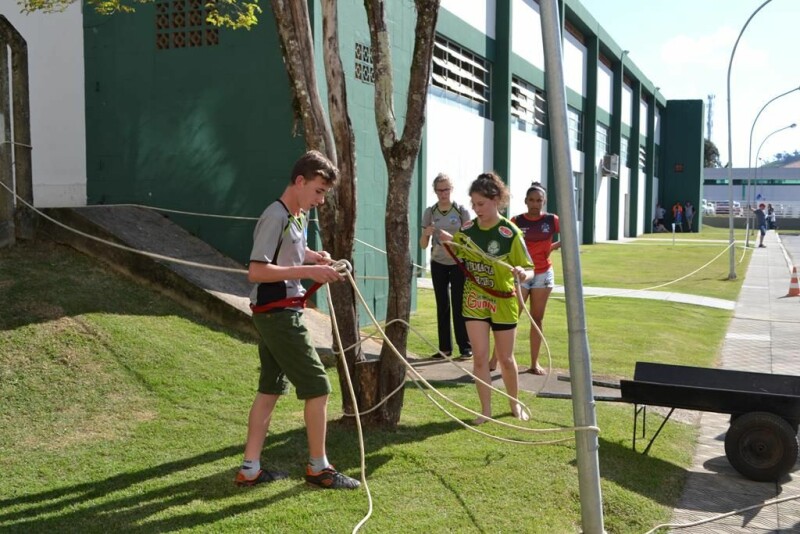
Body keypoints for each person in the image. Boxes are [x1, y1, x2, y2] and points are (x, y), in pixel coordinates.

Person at [235, 150, 360, 490]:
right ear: (300, 181)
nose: (321, 199)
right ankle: (319, 467)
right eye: (319, 190)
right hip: (277, 314)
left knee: (270, 388)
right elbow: (257, 271)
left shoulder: (299, 215)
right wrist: (310, 270)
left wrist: (315, 257)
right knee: (318, 387)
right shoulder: (275, 215)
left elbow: (289, 251)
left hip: (283, 311)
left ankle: (250, 468)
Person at [438, 172, 534, 425]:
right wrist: (447, 242)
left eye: (481, 204)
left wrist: (523, 272)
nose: (476, 209)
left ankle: (514, 403)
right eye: (473, 204)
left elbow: (529, 267)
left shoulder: (510, 232)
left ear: (496, 200)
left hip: (503, 300)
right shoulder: (467, 230)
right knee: (479, 357)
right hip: (474, 300)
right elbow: (458, 250)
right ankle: (485, 410)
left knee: (505, 359)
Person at [420, 173, 473, 360]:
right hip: (438, 263)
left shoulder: (461, 211)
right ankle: (445, 349)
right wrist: (426, 234)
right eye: (440, 190)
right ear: (435, 191)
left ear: (452, 189)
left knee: (459, 305)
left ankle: (465, 348)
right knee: (442, 305)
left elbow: (469, 241)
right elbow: (423, 245)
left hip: (458, 263)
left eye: (446, 189)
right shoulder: (430, 212)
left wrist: (452, 239)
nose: (443, 194)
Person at [509, 183, 561, 375]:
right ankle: (496, 359)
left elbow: (570, 236)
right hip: (522, 274)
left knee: (537, 319)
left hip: (543, 275)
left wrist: (553, 247)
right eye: (531, 200)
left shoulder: (552, 220)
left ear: (544, 201)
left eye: (539, 200)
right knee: (511, 318)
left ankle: (534, 363)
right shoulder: (516, 220)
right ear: (525, 201)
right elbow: (508, 243)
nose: (535, 204)